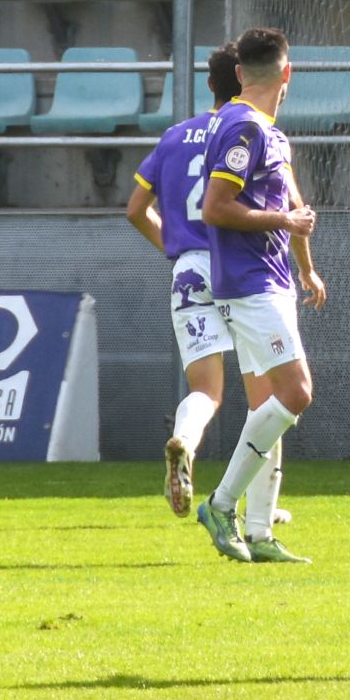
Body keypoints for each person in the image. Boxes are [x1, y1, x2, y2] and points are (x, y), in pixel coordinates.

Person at [127, 43, 324, 530]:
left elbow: (134, 209)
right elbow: (291, 205)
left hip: (190, 269)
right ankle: (254, 513)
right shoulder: (255, 131)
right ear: (243, 80)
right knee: (270, 398)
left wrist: (175, 249)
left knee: (206, 391)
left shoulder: (176, 136)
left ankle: (186, 443)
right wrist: (307, 268)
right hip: (243, 266)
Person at [193, 28, 318, 564]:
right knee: (296, 393)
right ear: (287, 74)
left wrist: (304, 264)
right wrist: (285, 219)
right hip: (249, 283)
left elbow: (289, 207)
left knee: (271, 404)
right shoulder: (245, 128)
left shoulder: (262, 130)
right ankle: (221, 504)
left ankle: (261, 531)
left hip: (269, 277)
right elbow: (216, 208)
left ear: (241, 73)